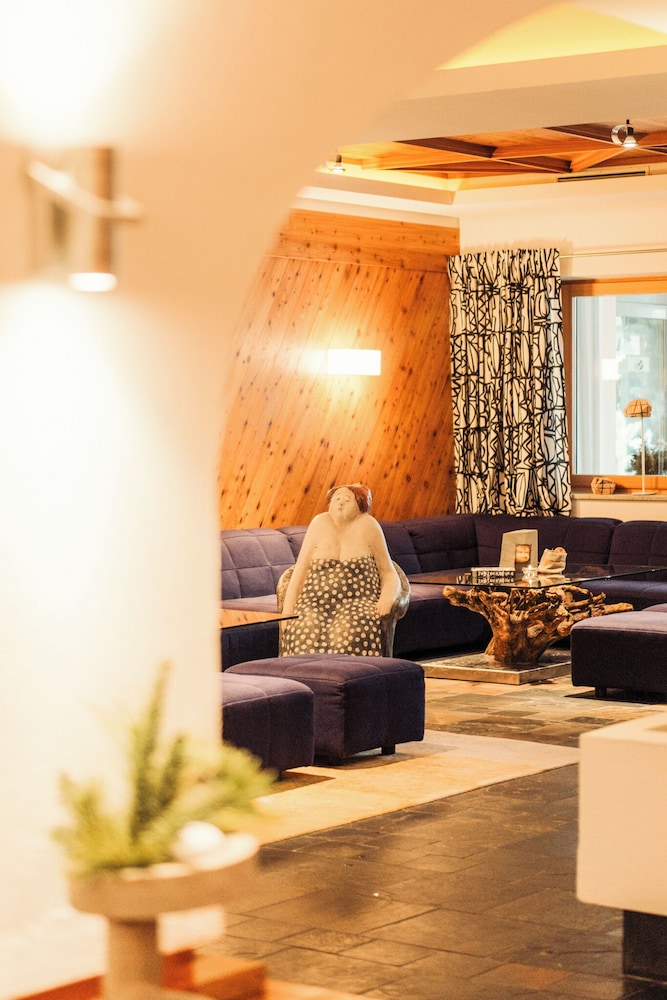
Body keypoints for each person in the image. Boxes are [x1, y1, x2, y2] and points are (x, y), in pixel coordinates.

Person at [280, 483, 401, 656]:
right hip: (313, 602)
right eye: (337, 498)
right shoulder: (318, 524)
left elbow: (388, 572)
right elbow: (300, 571)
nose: (341, 502)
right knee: (304, 627)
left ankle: (353, 673)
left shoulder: (368, 525)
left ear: (359, 505)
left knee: (349, 632)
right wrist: (287, 611)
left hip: (358, 603)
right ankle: (304, 673)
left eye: (347, 499)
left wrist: (387, 597)